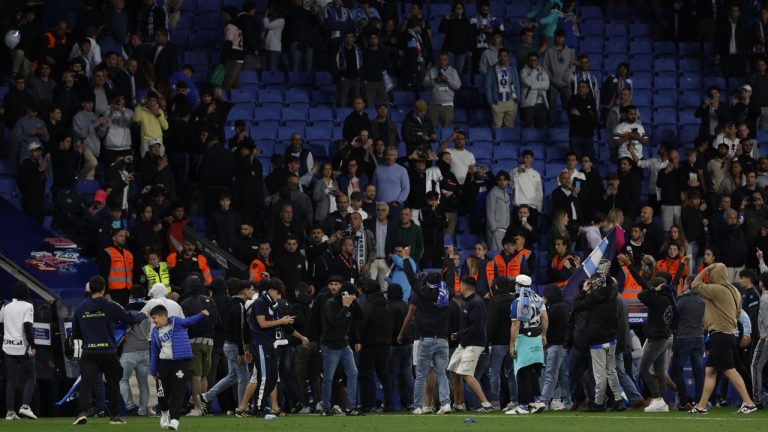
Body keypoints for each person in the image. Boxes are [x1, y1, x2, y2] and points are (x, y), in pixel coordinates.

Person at [71, 275, 146, 425]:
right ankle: (114, 416)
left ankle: (81, 413)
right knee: (113, 382)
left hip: (89, 352)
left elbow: (76, 334)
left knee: (86, 383)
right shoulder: (111, 305)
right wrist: (144, 314)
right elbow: (130, 319)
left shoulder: (80, 308)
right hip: (108, 352)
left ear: (90, 289)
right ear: (104, 288)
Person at [689, 263, 757, 414]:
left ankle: (749, 403)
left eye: (711, 273)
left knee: (730, 370)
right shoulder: (735, 291)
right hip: (728, 334)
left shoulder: (717, 289)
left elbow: (695, 284)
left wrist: (705, 269)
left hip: (720, 334)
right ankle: (701, 406)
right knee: (710, 371)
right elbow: (738, 312)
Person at [235, 279, 296, 418]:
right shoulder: (261, 302)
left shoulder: (270, 303)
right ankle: (258, 407)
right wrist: (281, 321)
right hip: (261, 344)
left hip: (269, 343)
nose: (278, 297)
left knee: (272, 377)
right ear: (271, 290)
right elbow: (262, 324)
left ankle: (260, 406)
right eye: (278, 293)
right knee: (263, 377)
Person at [399, 272, 452, 415]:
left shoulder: (423, 294)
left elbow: (412, 280)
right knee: (441, 373)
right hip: (442, 340)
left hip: (426, 340)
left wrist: (405, 261)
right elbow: (451, 279)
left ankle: (417, 406)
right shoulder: (447, 293)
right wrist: (451, 261)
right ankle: (446, 403)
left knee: (421, 374)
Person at [149, 305, 210, 430]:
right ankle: (164, 413)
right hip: (164, 364)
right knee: (162, 393)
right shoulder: (155, 331)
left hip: (180, 363)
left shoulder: (177, 322)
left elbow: (190, 321)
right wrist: (153, 369)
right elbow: (154, 351)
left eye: (154, 318)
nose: (153, 321)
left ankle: (175, 419)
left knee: (178, 391)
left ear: (163, 316)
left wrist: (202, 315)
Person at [573, 275, 623, 411]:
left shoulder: (592, 298)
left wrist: (583, 291)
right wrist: (608, 278)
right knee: (611, 371)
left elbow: (576, 306)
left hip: (597, 341)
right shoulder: (613, 293)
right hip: (611, 339)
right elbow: (615, 285)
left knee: (599, 374)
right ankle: (618, 401)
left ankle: (599, 403)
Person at [201, 280, 254, 409]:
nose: (253, 292)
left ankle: (206, 396)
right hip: (235, 346)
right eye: (251, 289)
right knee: (244, 377)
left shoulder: (232, 304)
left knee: (232, 376)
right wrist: (242, 352)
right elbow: (239, 331)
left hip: (228, 344)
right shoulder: (239, 306)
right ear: (244, 291)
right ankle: (242, 407)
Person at [448, 277, 494, 411]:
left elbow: (477, 327)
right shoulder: (468, 302)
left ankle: (486, 404)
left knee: (466, 373)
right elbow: (470, 325)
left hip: (474, 343)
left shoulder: (476, 303)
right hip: (464, 343)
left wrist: (463, 335)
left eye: (460, 285)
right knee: (454, 370)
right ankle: (457, 404)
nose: (459, 288)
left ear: (465, 287)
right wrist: (460, 334)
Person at [320, 282, 364, 416]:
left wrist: (357, 340)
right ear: (344, 294)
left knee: (353, 373)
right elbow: (334, 322)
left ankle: (351, 407)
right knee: (328, 377)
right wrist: (345, 307)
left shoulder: (351, 304)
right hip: (330, 345)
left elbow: (360, 316)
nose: (354, 298)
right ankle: (326, 408)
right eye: (352, 295)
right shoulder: (330, 303)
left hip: (344, 345)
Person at [505, 275, 548, 415]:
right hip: (536, 337)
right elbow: (545, 319)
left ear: (518, 285)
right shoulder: (538, 299)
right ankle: (538, 400)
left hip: (524, 338)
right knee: (533, 371)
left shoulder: (518, 302)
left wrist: (511, 345)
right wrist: (544, 335)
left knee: (523, 372)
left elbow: (515, 325)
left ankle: (523, 406)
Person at [180, 276, 220, 416]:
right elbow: (216, 321)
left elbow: (184, 324)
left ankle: (197, 408)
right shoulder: (211, 301)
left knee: (196, 376)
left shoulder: (185, 303)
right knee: (204, 376)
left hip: (194, 342)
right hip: (209, 342)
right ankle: (204, 406)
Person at [638, 278, 678, 413]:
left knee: (643, 369)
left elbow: (641, 295)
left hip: (656, 339)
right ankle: (661, 403)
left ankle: (657, 398)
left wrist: (654, 290)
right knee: (660, 371)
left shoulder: (657, 301)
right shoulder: (668, 301)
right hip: (664, 337)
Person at [1, 281, 38, 420]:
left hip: (8, 347)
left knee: (10, 380)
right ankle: (25, 406)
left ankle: (10, 412)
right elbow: (27, 327)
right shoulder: (28, 306)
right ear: (26, 293)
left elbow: (1, 324)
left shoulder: (5, 305)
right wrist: (33, 346)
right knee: (30, 377)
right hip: (22, 348)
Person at [671, 275, 706, 411]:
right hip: (699, 338)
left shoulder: (682, 301)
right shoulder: (703, 300)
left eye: (685, 283)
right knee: (698, 372)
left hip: (684, 338)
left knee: (676, 370)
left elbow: (674, 316)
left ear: (688, 284)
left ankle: (684, 401)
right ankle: (699, 403)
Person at [358, 279, 393, 411]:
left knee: (366, 374)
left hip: (369, 344)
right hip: (385, 344)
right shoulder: (386, 304)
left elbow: (362, 325)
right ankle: (388, 404)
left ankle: (368, 404)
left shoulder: (367, 305)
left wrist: (359, 340)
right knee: (384, 374)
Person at [119, 285, 151, 417]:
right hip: (145, 350)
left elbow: (121, 330)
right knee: (143, 384)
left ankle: (130, 407)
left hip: (129, 350)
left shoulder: (126, 309)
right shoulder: (150, 308)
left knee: (122, 379)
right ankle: (142, 411)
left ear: (131, 296)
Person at [537, 284, 570, 410]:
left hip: (555, 346)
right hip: (559, 346)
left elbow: (544, 321)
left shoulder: (555, 309)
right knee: (562, 375)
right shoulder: (562, 307)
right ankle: (567, 402)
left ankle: (543, 402)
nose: (543, 298)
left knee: (550, 375)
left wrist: (543, 306)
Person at [422, 52, 461, 128]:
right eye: (440, 60)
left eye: (444, 60)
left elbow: (457, 86)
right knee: (431, 129)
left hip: (447, 106)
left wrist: (448, 80)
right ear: (438, 60)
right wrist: (434, 81)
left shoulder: (453, 71)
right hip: (433, 105)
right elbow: (424, 84)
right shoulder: (432, 70)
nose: (442, 62)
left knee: (447, 130)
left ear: (448, 60)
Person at [98, 228, 134, 306]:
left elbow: (132, 274)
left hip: (128, 292)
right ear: (114, 238)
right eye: (120, 236)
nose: (123, 238)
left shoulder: (129, 254)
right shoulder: (107, 252)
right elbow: (104, 274)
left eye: (124, 236)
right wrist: (106, 292)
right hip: (114, 292)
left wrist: (132, 292)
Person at [543, 29, 576, 109]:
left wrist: (567, 77)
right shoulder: (549, 51)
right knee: (550, 107)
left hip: (566, 84)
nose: (559, 39)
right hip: (553, 84)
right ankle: (550, 121)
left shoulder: (570, 51)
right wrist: (551, 79)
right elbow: (545, 67)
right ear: (555, 37)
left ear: (564, 38)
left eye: (561, 37)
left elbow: (573, 66)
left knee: (568, 107)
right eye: (558, 37)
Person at [750, 272, 768, 405]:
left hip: (765, 338)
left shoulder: (764, 299)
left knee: (756, 366)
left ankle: (756, 399)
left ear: (761, 283)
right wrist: (761, 261)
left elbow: (766, 320)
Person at [519, 52, 550, 128]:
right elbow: (528, 82)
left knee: (540, 128)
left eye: (535, 60)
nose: (533, 62)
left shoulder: (542, 71)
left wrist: (533, 86)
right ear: (528, 61)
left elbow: (547, 85)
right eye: (531, 60)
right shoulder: (524, 71)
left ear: (538, 61)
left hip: (541, 103)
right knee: (528, 127)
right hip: (529, 104)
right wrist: (534, 71)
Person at [486, 171, 511, 251]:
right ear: (497, 181)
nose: (502, 182)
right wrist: (493, 228)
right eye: (500, 180)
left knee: (502, 255)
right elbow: (490, 211)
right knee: (496, 255)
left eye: (504, 180)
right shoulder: (493, 193)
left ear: (508, 181)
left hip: (504, 229)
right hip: (495, 229)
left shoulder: (506, 195)